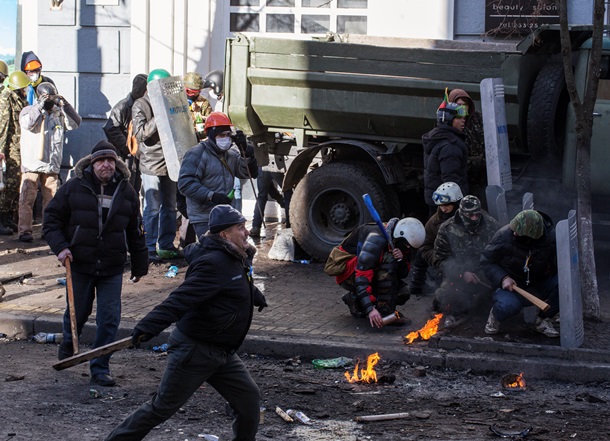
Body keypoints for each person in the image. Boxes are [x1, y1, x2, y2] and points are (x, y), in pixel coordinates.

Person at [104, 204, 266, 441]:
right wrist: (148, 326)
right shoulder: (214, 263)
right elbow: (180, 300)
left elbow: (234, 282)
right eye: (240, 227)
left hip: (222, 352)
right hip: (195, 351)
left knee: (249, 401)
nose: (246, 232)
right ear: (224, 235)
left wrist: (253, 294)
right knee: (161, 407)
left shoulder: (236, 256)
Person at [43, 141, 148, 386]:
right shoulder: (73, 188)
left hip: (112, 265)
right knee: (77, 313)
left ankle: (100, 367)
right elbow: (51, 221)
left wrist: (140, 265)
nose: (106, 165)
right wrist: (61, 247)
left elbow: (136, 231)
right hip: (79, 262)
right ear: (92, 164)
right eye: (101, 161)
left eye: (110, 161)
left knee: (110, 318)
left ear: (117, 164)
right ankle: (70, 341)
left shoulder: (127, 191)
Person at [18, 81, 81, 242]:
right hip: (32, 164)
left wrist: (65, 105)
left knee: (52, 201)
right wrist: (39, 106)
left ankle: (49, 229)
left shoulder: (58, 114)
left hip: (51, 166)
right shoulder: (28, 111)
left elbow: (76, 123)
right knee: (27, 199)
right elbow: (28, 123)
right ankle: (25, 231)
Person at [481, 209, 560, 338]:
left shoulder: (550, 240)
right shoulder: (503, 236)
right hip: (510, 287)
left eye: (519, 232)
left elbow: (559, 266)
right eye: (514, 229)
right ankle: (495, 316)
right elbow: (486, 262)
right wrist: (503, 278)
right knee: (508, 306)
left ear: (532, 235)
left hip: (537, 283)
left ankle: (543, 320)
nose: (515, 233)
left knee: (563, 284)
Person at [178, 111, 258, 238]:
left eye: (228, 135)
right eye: (221, 135)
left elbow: (247, 173)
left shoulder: (230, 155)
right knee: (211, 252)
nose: (225, 138)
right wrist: (212, 196)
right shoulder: (197, 154)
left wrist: (246, 153)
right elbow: (185, 184)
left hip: (223, 215)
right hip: (204, 216)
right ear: (211, 135)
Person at [336, 217, 426, 328]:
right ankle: (384, 312)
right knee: (389, 261)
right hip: (348, 273)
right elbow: (362, 276)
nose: (407, 247)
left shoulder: (399, 241)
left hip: (367, 272)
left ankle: (355, 299)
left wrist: (402, 259)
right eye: (406, 245)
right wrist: (370, 310)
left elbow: (403, 274)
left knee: (402, 292)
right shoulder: (376, 239)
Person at [132, 68, 180, 262]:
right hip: (151, 162)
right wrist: (159, 115)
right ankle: (149, 246)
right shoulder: (140, 104)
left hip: (170, 161)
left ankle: (166, 245)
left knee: (170, 206)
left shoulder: (171, 101)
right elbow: (141, 133)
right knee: (152, 206)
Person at [432, 195, 499, 327]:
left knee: (494, 298)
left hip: (484, 271)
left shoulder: (491, 225)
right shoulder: (447, 229)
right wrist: (462, 273)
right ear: (462, 213)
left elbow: (500, 253)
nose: (474, 218)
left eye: (477, 214)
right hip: (458, 275)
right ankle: (453, 313)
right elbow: (439, 260)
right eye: (470, 215)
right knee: (444, 296)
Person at [177, 72, 214, 248]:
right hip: (180, 154)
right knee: (182, 200)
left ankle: (198, 243)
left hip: (199, 153)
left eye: (194, 92)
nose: (192, 94)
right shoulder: (176, 102)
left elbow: (210, 127)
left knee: (196, 197)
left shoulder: (204, 104)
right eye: (189, 91)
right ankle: (185, 242)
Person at [408, 181, 463, 295]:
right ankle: (417, 285)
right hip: (445, 259)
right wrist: (437, 260)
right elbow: (425, 246)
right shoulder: (434, 222)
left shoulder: (468, 216)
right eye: (441, 205)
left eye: (447, 205)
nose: (443, 209)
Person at [422, 93, 469, 216]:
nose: (463, 120)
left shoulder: (437, 137)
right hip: (448, 205)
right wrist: (456, 205)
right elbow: (451, 181)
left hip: (438, 202)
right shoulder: (450, 146)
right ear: (448, 120)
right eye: (459, 117)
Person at [102, 73, 148, 192]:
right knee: (124, 187)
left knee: (134, 188)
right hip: (125, 157)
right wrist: (127, 147)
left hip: (137, 155)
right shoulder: (122, 107)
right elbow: (110, 128)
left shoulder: (143, 105)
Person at [0, 71, 30, 235]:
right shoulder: (6, 98)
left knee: (15, 184)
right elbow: (3, 126)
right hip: (10, 149)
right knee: (9, 184)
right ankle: (1, 219)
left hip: (19, 147)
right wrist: (1, 149)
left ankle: (8, 217)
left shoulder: (19, 97)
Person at [448, 89, 486, 205]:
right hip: (463, 179)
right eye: (459, 105)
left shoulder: (477, 120)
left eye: (465, 105)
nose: (463, 108)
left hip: (480, 178)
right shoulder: (448, 125)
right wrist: (478, 162)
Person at [250, 167, 291, 238]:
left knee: (262, 196)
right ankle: (290, 226)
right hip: (277, 165)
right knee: (288, 192)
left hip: (262, 166)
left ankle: (255, 227)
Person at [184, 71, 213, 141]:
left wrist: (197, 114)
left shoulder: (204, 103)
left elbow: (210, 123)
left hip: (197, 139)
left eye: (196, 92)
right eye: (190, 92)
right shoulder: (177, 100)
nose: (193, 95)